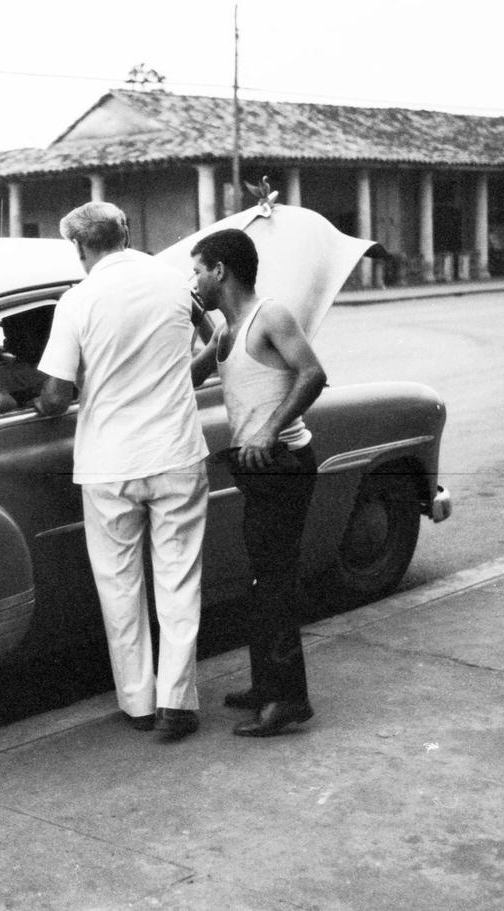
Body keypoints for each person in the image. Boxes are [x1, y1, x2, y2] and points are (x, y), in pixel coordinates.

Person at [34, 202, 209, 738]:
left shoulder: (77, 301)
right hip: (176, 452)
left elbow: (55, 398)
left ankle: (138, 704)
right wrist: (180, 376)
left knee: (119, 587)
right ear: (127, 234)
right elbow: (215, 339)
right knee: (178, 581)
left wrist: (36, 394)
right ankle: (178, 703)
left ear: (82, 248)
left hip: (108, 464)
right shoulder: (176, 283)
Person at [190, 228, 327, 737]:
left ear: (220, 271)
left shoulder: (270, 316)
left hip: (284, 461)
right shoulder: (226, 332)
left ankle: (288, 699)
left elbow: (312, 373)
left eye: (198, 270)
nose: (194, 280)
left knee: (274, 582)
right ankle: (266, 684)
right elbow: (190, 375)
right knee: (261, 579)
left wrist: (270, 428)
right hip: (255, 468)